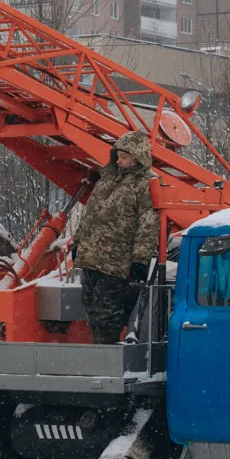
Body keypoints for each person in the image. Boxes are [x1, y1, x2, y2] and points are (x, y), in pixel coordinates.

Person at [73, 131, 160, 344]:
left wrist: (140, 259)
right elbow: (90, 214)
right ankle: (101, 353)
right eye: (118, 156)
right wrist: (78, 242)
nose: (119, 161)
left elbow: (148, 222)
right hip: (91, 258)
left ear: (137, 156)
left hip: (115, 262)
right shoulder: (107, 179)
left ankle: (106, 356)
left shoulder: (145, 183)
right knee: (91, 308)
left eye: (124, 156)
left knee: (107, 314)